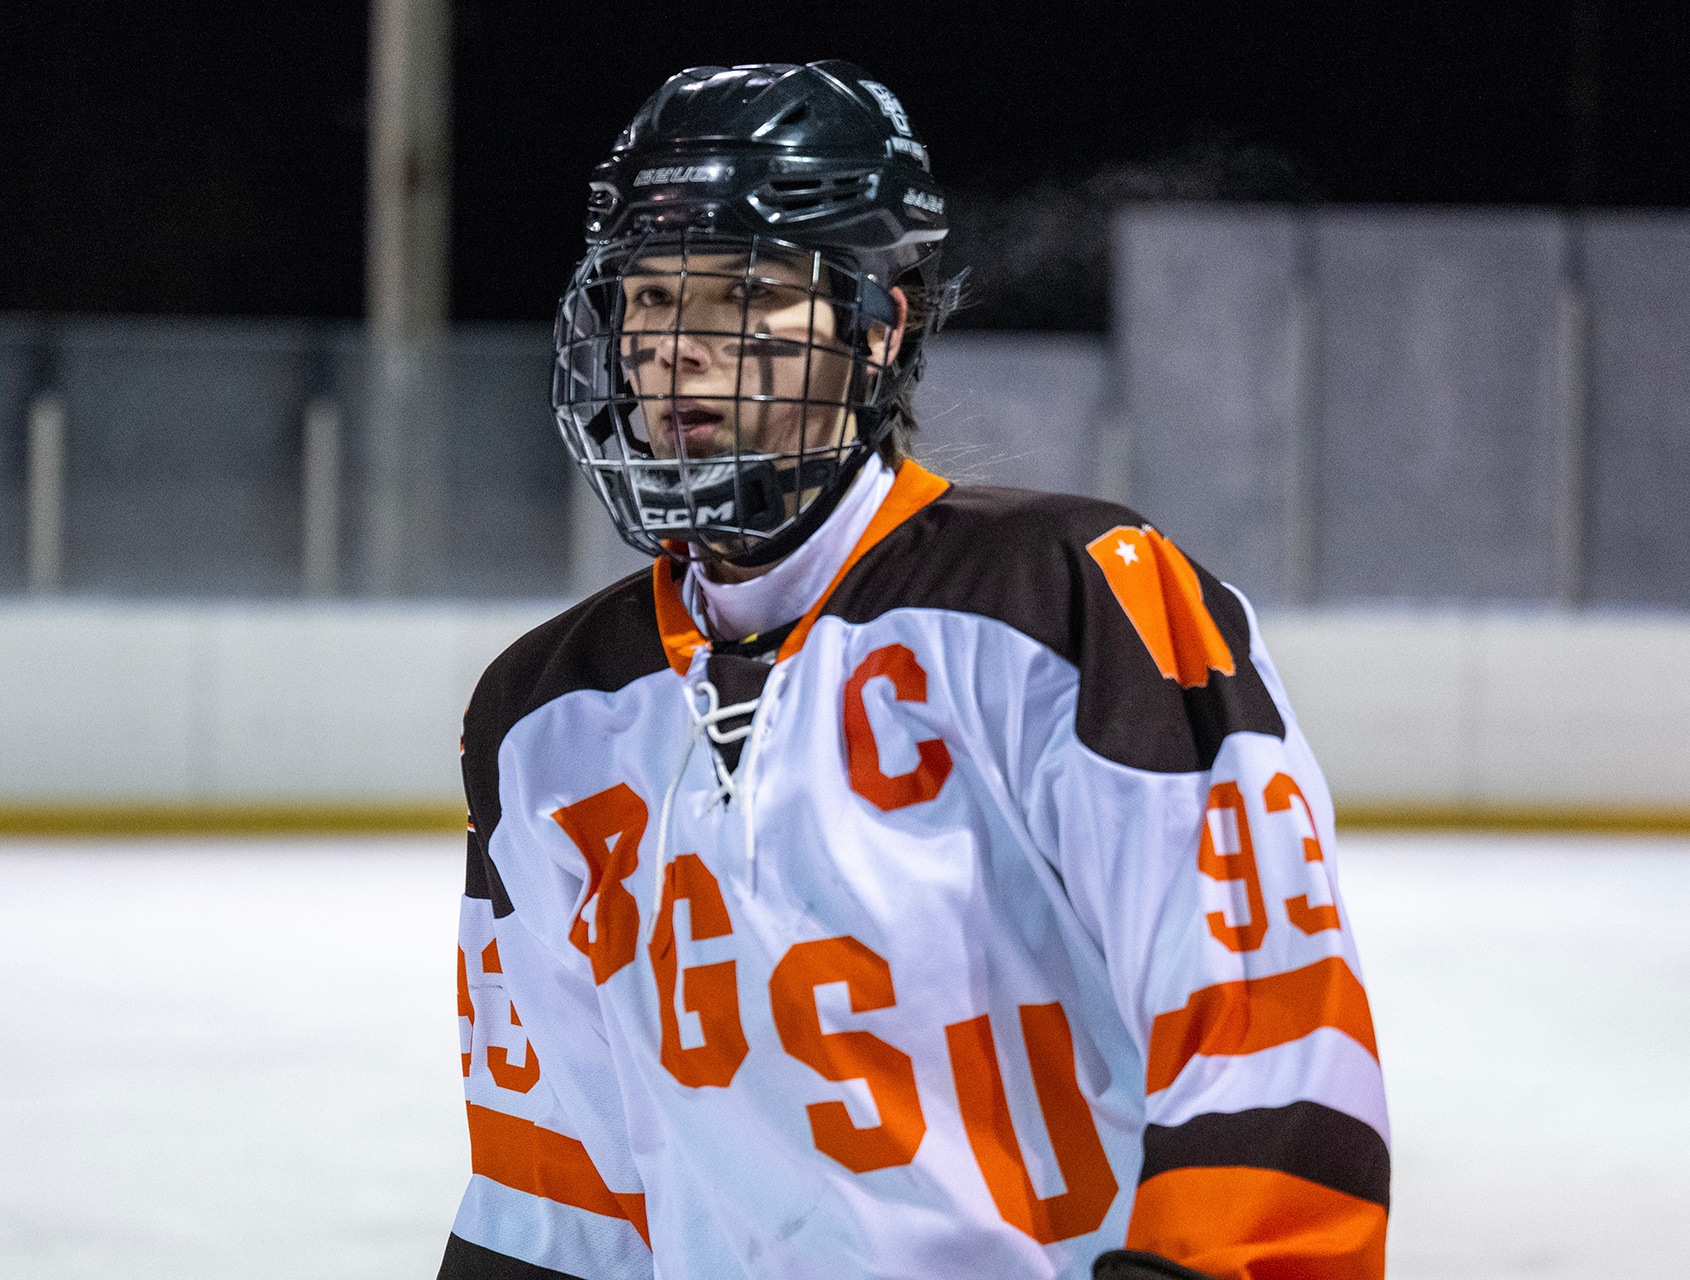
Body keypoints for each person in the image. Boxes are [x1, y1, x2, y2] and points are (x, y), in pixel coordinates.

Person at [442, 61, 1389, 1280]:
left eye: (746, 296)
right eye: (651, 295)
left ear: (879, 324)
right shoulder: (542, 716)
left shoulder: (1071, 601)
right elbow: (550, 1188)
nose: (678, 347)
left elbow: (1267, 1039)